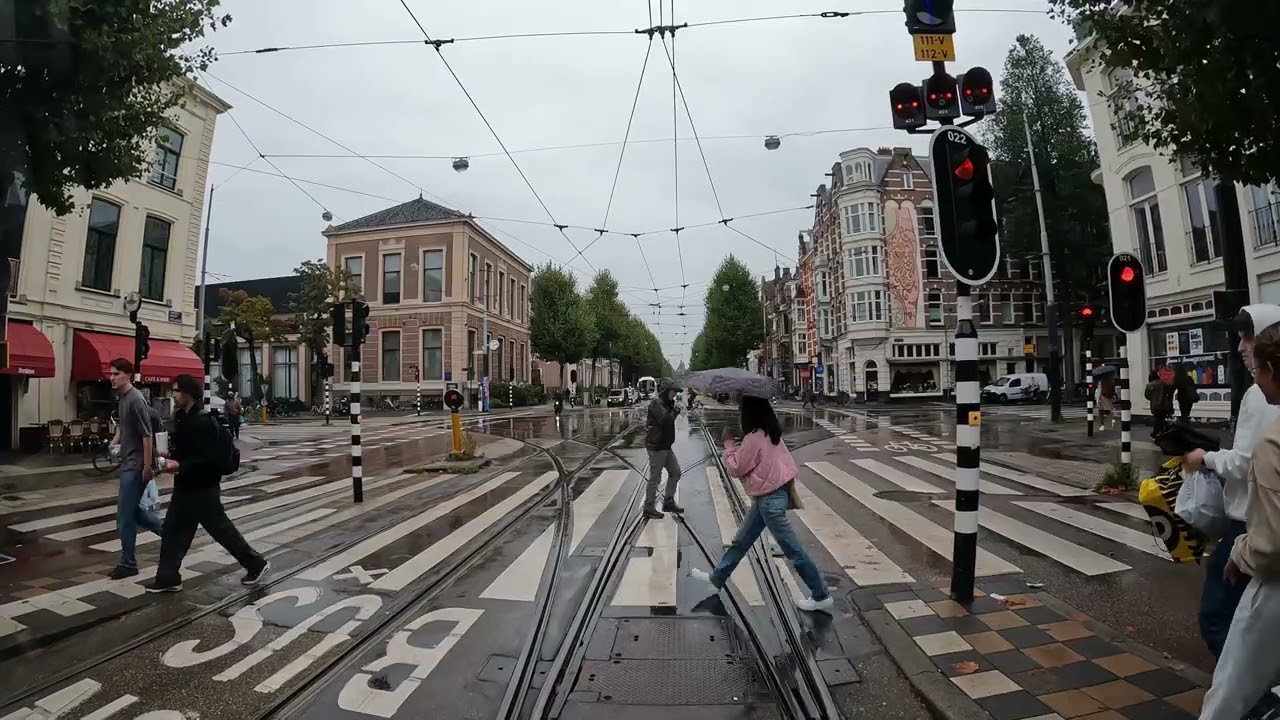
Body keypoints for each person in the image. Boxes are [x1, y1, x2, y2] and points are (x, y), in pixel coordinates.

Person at [1185, 305, 1280, 659]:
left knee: (1217, 617)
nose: (1241, 346)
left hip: (1250, 521)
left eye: (1249, 336)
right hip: (1261, 520)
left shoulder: (1260, 392)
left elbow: (1247, 461)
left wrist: (1205, 459)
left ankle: (1256, 700)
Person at [691, 395, 833, 613]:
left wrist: (728, 445)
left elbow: (737, 468)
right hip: (772, 496)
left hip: (769, 500)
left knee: (793, 549)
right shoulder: (771, 432)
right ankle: (717, 578)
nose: (739, 413)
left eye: (741, 409)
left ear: (749, 413)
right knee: (741, 541)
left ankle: (820, 594)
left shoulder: (754, 438)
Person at [146, 374, 268, 592]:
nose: (174, 395)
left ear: (189, 393)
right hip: (186, 486)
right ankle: (167, 577)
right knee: (174, 531)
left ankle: (256, 564)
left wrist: (179, 465)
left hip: (201, 488)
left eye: (177, 391)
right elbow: (186, 452)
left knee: (221, 531)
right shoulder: (184, 418)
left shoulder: (200, 422)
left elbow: (205, 458)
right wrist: (170, 455)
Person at [106, 358, 164, 580]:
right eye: (110, 374)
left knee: (124, 516)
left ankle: (128, 563)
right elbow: (123, 424)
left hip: (136, 465)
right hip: (128, 462)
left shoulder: (136, 399)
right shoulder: (123, 398)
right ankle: (169, 534)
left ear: (128, 375)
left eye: (116, 374)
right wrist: (114, 442)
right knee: (132, 513)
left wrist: (147, 467)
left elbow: (147, 435)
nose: (112, 378)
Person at [643, 379, 683, 519]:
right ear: (666, 390)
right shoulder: (657, 403)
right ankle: (648, 507)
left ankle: (668, 501)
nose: (675, 394)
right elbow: (665, 420)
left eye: (676, 392)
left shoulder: (667, 403)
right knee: (655, 478)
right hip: (656, 446)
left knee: (676, 472)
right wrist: (676, 410)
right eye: (674, 391)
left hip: (665, 445)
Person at [1146, 369, 1174, 435]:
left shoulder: (1150, 385)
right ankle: (1159, 432)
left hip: (1155, 405)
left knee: (1157, 419)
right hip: (1164, 405)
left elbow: (1147, 396)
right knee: (1161, 419)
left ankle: (1156, 433)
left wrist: (1153, 398)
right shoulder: (1163, 383)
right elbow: (1169, 393)